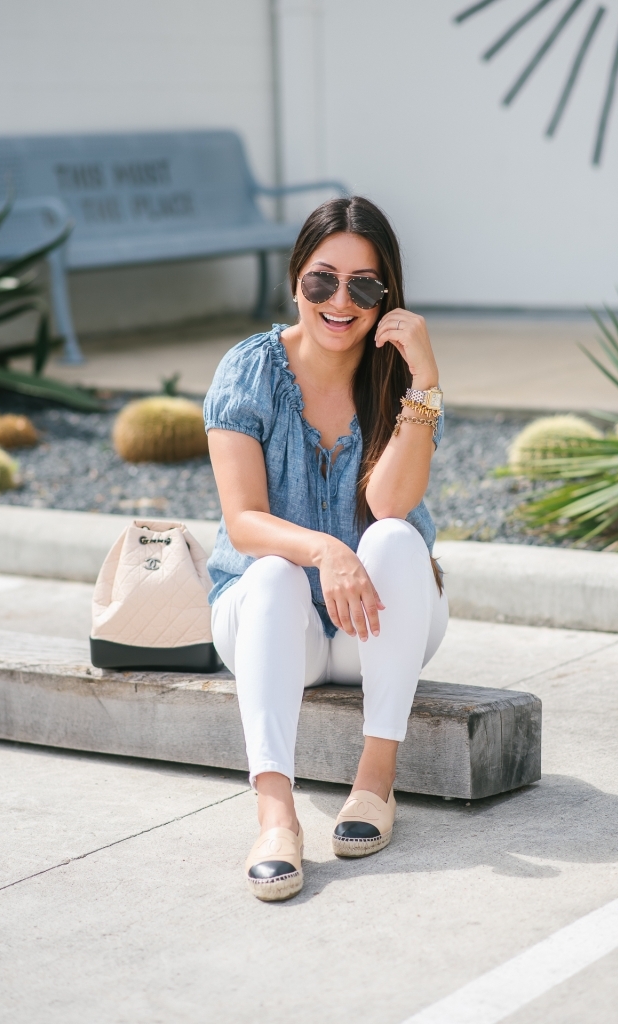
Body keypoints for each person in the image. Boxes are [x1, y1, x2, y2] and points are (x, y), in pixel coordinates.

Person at [204, 196, 448, 902]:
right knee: (277, 572)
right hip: (272, 619)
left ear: (387, 298)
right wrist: (325, 551)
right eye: (322, 280)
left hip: (375, 620)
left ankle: (375, 784)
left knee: (397, 540)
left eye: (364, 286)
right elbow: (244, 520)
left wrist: (424, 384)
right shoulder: (249, 370)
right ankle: (276, 817)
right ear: (294, 282)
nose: (341, 302)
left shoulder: (399, 376)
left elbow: (390, 507)